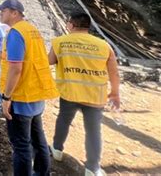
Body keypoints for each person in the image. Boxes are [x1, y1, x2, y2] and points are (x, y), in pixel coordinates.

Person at [48, 11, 120, 176]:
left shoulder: (60, 42)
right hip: (95, 97)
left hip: (69, 94)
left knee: (63, 120)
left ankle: (57, 150)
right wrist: (115, 94)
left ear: (71, 25)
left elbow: (48, 61)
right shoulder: (104, 45)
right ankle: (92, 168)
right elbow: (114, 73)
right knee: (93, 131)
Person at [0, 0, 59, 176]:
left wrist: (6, 97)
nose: (0, 13)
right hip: (35, 95)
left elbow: (16, 68)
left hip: (21, 96)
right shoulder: (32, 30)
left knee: (21, 145)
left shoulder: (16, 32)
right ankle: (42, 173)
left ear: (15, 13)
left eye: (3, 10)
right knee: (39, 140)